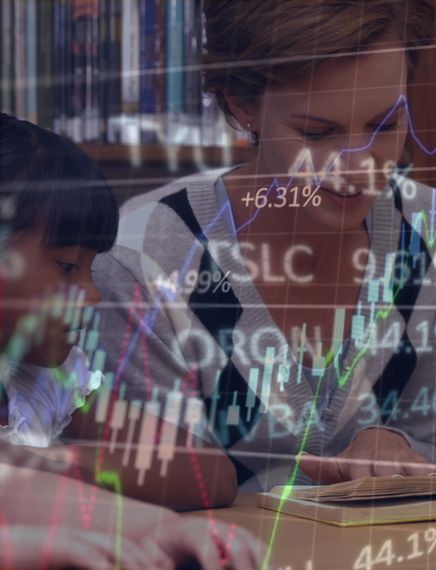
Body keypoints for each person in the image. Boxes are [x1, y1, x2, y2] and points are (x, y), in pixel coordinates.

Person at [89, 0, 436, 492]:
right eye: (316, 133)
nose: (358, 169)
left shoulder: (434, 232)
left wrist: (399, 448)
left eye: (385, 126)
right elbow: (146, 493)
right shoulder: (144, 256)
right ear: (242, 105)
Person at [0, 113, 266, 569]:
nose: (93, 293)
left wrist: (62, 463)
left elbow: (211, 473)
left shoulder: (48, 381)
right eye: (67, 267)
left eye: (91, 269)